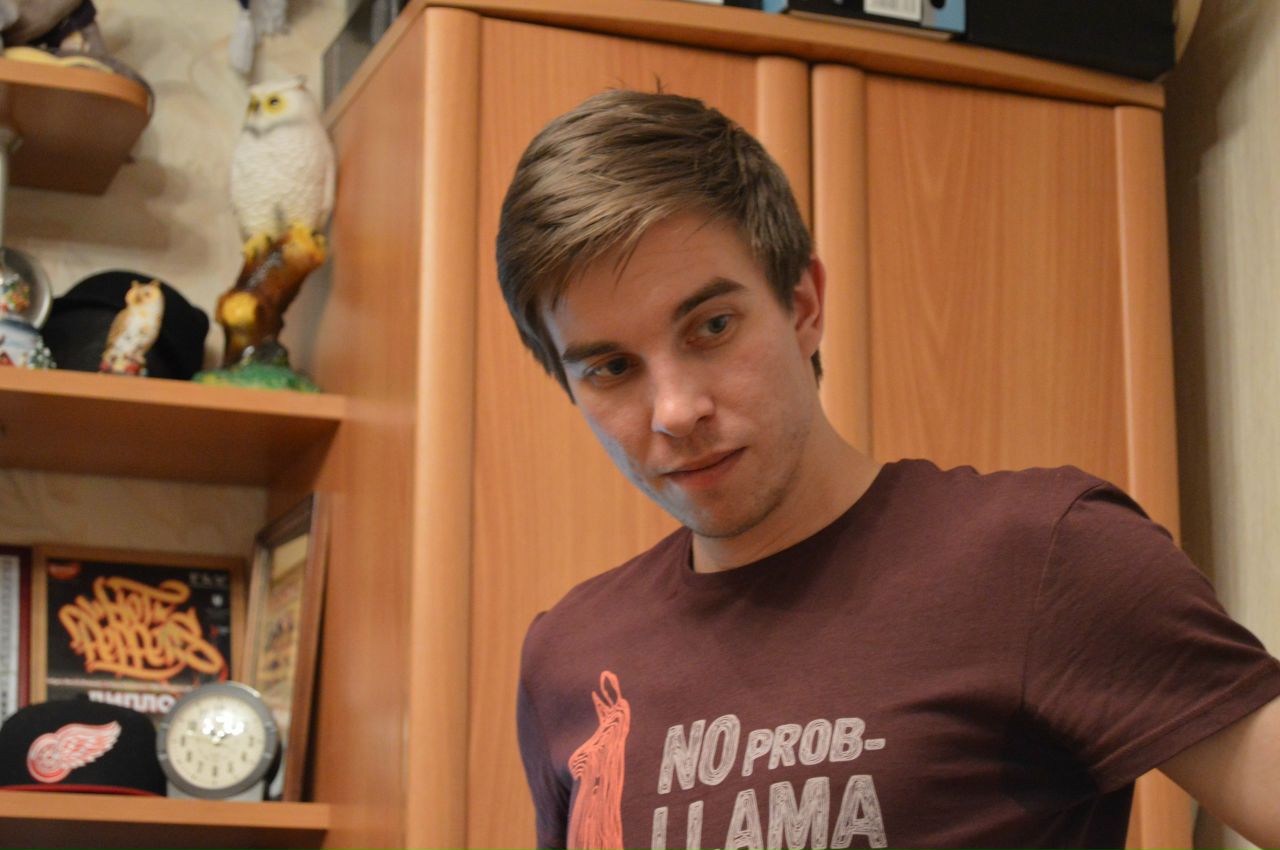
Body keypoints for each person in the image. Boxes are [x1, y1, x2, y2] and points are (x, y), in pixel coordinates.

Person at [496, 89, 1280, 850]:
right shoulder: (569, 656)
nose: (675, 410)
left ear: (803, 306)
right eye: (611, 368)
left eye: (713, 326)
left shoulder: (1048, 558)